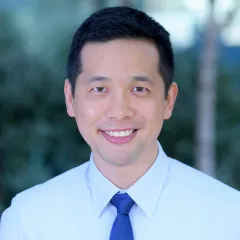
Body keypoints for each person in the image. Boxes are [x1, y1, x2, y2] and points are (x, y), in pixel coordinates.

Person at [0, 6, 239, 240]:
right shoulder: (29, 221)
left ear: (168, 99)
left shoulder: (228, 218)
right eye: (99, 89)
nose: (119, 111)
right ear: (70, 98)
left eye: (139, 89)